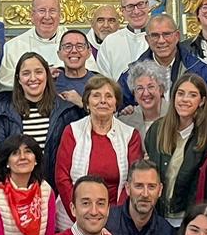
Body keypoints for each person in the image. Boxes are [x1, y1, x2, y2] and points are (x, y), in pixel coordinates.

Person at [53, 76, 143, 218]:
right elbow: (62, 177)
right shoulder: (72, 131)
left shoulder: (130, 135)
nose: (103, 101)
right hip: (75, 217)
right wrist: (78, 214)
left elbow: (133, 180)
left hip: (117, 218)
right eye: (96, 95)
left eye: (108, 96)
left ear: (115, 105)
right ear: (87, 103)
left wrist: (115, 218)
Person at [144, 74, 207, 226]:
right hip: (155, 216)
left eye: (192, 95)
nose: (184, 99)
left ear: (201, 101)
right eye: (180, 93)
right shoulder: (157, 130)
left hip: (185, 219)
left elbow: (198, 188)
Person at [121, 14, 207, 108]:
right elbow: (118, 105)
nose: (161, 41)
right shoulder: (133, 73)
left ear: (177, 36)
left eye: (166, 34)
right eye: (155, 35)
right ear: (147, 39)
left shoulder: (199, 70)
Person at [0, 50, 72, 161]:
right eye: (26, 73)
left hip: (52, 178)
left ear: (47, 75)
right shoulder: (4, 111)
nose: (33, 78)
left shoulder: (66, 111)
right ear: (18, 79)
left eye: (38, 72)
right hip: (15, 177)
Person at [0, 0, 64, 91]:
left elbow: (87, 75)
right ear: (32, 15)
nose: (47, 16)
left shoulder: (74, 43)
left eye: (52, 11)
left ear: (60, 16)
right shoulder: (13, 46)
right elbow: (5, 80)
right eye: (42, 11)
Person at [94, 0, 153, 80]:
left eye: (140, 4)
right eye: (130, 6)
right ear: (122, 11)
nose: (136, 11)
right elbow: (104, 81)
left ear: (147, 6)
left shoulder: (160, 38)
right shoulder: (110, 42)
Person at [118, 60, 170, 134]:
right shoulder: (126, 120)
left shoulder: (174, 115)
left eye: (151, 87)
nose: (146, 93)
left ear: (161, 90)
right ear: (134, 94)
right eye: (140, 88)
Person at [54, 29, 97, 105]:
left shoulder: (99, 82)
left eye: (79, 46)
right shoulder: (51, 83)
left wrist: (81, 103)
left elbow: (106, 115)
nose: (74, 51)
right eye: (68, 47)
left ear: (89, 52)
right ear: (59, 54)